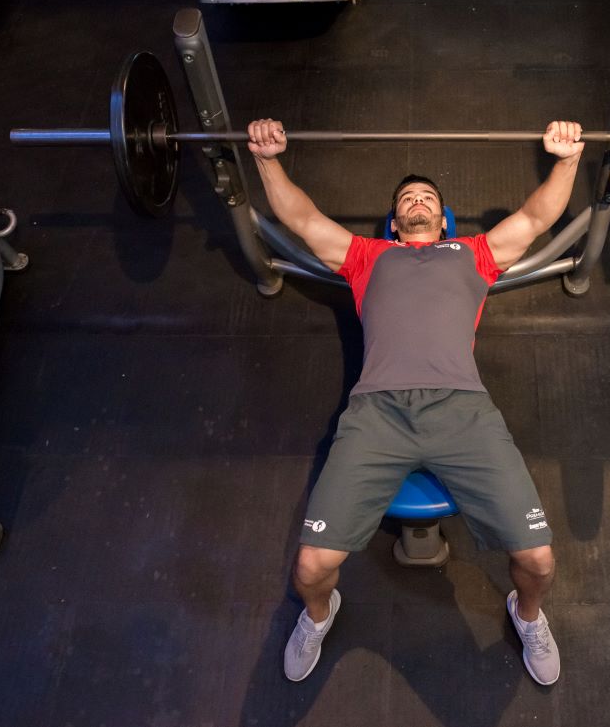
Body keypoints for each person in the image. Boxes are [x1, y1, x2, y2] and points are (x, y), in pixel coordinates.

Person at [246, 118, 585, 686]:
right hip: (377, 415)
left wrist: (568, 158)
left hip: (463, 412)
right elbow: (302, 219)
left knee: (539, 560)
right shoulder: (365, 257)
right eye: (408, 198)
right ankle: (318, 615)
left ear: (442, 214)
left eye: (428, 196)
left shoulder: (473, 253)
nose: (418, 201)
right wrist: (265, 157)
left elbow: (534, 218)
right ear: (396, 219)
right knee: (310, 566)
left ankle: (526, 616)